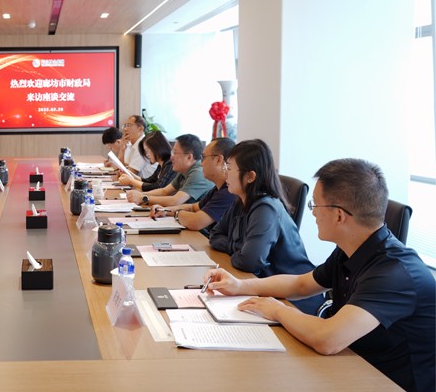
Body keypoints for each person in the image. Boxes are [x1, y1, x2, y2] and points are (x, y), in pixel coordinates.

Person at [205, 158, 435, 392]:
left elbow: (328, 339)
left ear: (339, 215)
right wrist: (239, 285)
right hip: (351, 366)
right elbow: (302, 284)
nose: (313, 213)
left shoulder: (394, 273)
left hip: (387, 382)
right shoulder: (352, 249)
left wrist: (277, 310)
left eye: (315, 205)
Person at [207, 139, 319, 314]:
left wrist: (238, 250)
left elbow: (249, 262)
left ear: (250, 176)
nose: (225, 173)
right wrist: (239, 248)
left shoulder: (266, 207)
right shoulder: (240, 200)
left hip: (292, 299)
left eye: (229, 168)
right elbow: (214, 235)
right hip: (260, 288)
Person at [151, 137, 236, 232]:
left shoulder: (229, 191)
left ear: (218, 160)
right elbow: (192, 207)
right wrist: (165, 211)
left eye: (204, 157)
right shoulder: (217, 189)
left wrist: (177, 213)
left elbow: (196, 222)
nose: (201, 164)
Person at [129, 133, 212, 207]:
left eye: (175, 153)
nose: (171, 157)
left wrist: (144, 198)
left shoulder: (198, 173)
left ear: (189, 157)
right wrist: (140, 195)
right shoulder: (184, 170)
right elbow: (164, 191)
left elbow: (175, 201)